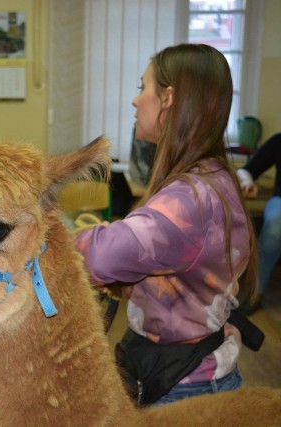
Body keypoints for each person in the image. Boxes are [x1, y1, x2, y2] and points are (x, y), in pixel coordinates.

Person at [74, 44, 257, 406]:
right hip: (186, 378)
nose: (135, 101)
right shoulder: (208, 178)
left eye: (143, 88)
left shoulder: (191, 199)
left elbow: (100, 257)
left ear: (169, 99)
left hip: (186, 390)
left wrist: (52, 236)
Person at [236, 133, 281, 313]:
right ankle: (255, 292)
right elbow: (246, 170)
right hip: (280, 202)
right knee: (276, 225)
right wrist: (247, 182)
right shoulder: (278, 141)